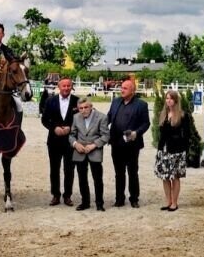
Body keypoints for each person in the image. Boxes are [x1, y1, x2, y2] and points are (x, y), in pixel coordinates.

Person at [108, 79, 150, 208]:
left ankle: (134, 199)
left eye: (125, 88)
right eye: (122, 87)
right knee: (118, 173)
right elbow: (108, 118)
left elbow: (146, 123)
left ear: (133, 90)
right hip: (116, 143)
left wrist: (136, 133)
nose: (122, 90)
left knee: (132, 172)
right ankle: (119, 198)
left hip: (132, 144)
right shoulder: (115, 102)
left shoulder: (141, 105)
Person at [41, 77, 79, 206]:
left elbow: (80, 119)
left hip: (70, 141)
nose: (66, 88)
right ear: (59, 87)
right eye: (64, 86)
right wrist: (54, 128)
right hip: (54, 140)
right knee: (54, 169)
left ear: (71, 87)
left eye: (69, 86)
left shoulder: (77, 101)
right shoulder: (50, 101)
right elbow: (44, 119)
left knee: (69, 169)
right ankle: (55, 195)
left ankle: (67, 195)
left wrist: (71, 128)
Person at [69, 98, 110, 211]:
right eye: (81, 108)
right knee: (82, 179)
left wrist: (94, 145)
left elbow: (106, 136)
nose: (83, 110)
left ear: (91, 106)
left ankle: (99, 203)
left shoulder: (102, 117)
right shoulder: (76, 117)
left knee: (97, 178)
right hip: (80, 151)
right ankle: (85, 202)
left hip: (95, 151)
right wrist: (75, 144)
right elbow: (71, 135)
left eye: (86, 107)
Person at [155, 90, 191, 211]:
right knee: (164, 177)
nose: (168, 100)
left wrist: (185, 151)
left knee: (175, 177)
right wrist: (159, 149)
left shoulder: (182, 115)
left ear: (175, 100)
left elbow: (187, 135)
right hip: (163, 150)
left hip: (177, 150)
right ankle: (168, 201)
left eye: (170, 98)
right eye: (166, 98)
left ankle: (175, 202)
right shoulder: (163, 114)